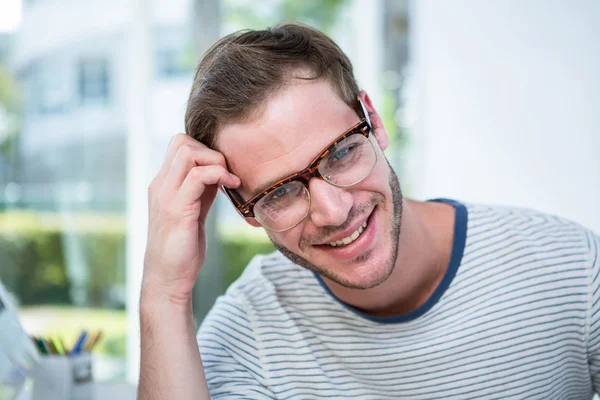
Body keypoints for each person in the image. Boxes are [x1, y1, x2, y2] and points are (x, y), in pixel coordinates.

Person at [138, 23, 600, 399]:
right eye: (280, 193)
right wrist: (163, 295)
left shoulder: (571, 267)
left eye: (340, 153)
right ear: (247, 212)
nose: (333, 212)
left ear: (374, 123)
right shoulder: (250, 334)